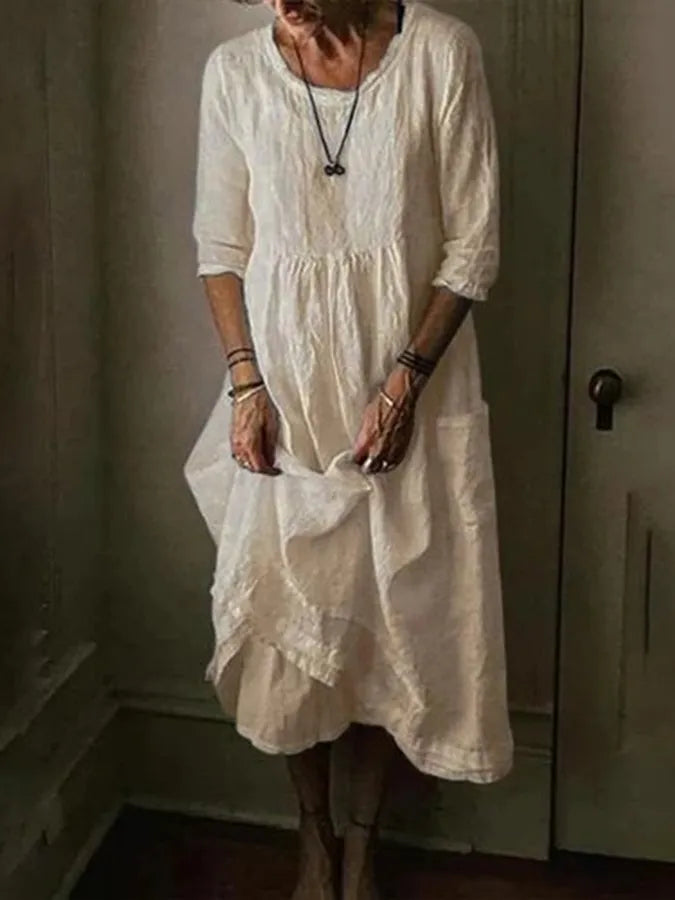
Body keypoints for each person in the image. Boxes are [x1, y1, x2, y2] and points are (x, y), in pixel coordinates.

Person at [184, 1, 514, 897]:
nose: (282, 5)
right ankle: (313, 835)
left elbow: (472, 244)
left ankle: (362, 843)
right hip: (285, 402)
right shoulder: (236, 73)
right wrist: (246, 385)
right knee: (291, 632)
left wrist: (405, 384)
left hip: (409, 395)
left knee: (391, 622)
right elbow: (220, 247)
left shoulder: (440, 55)